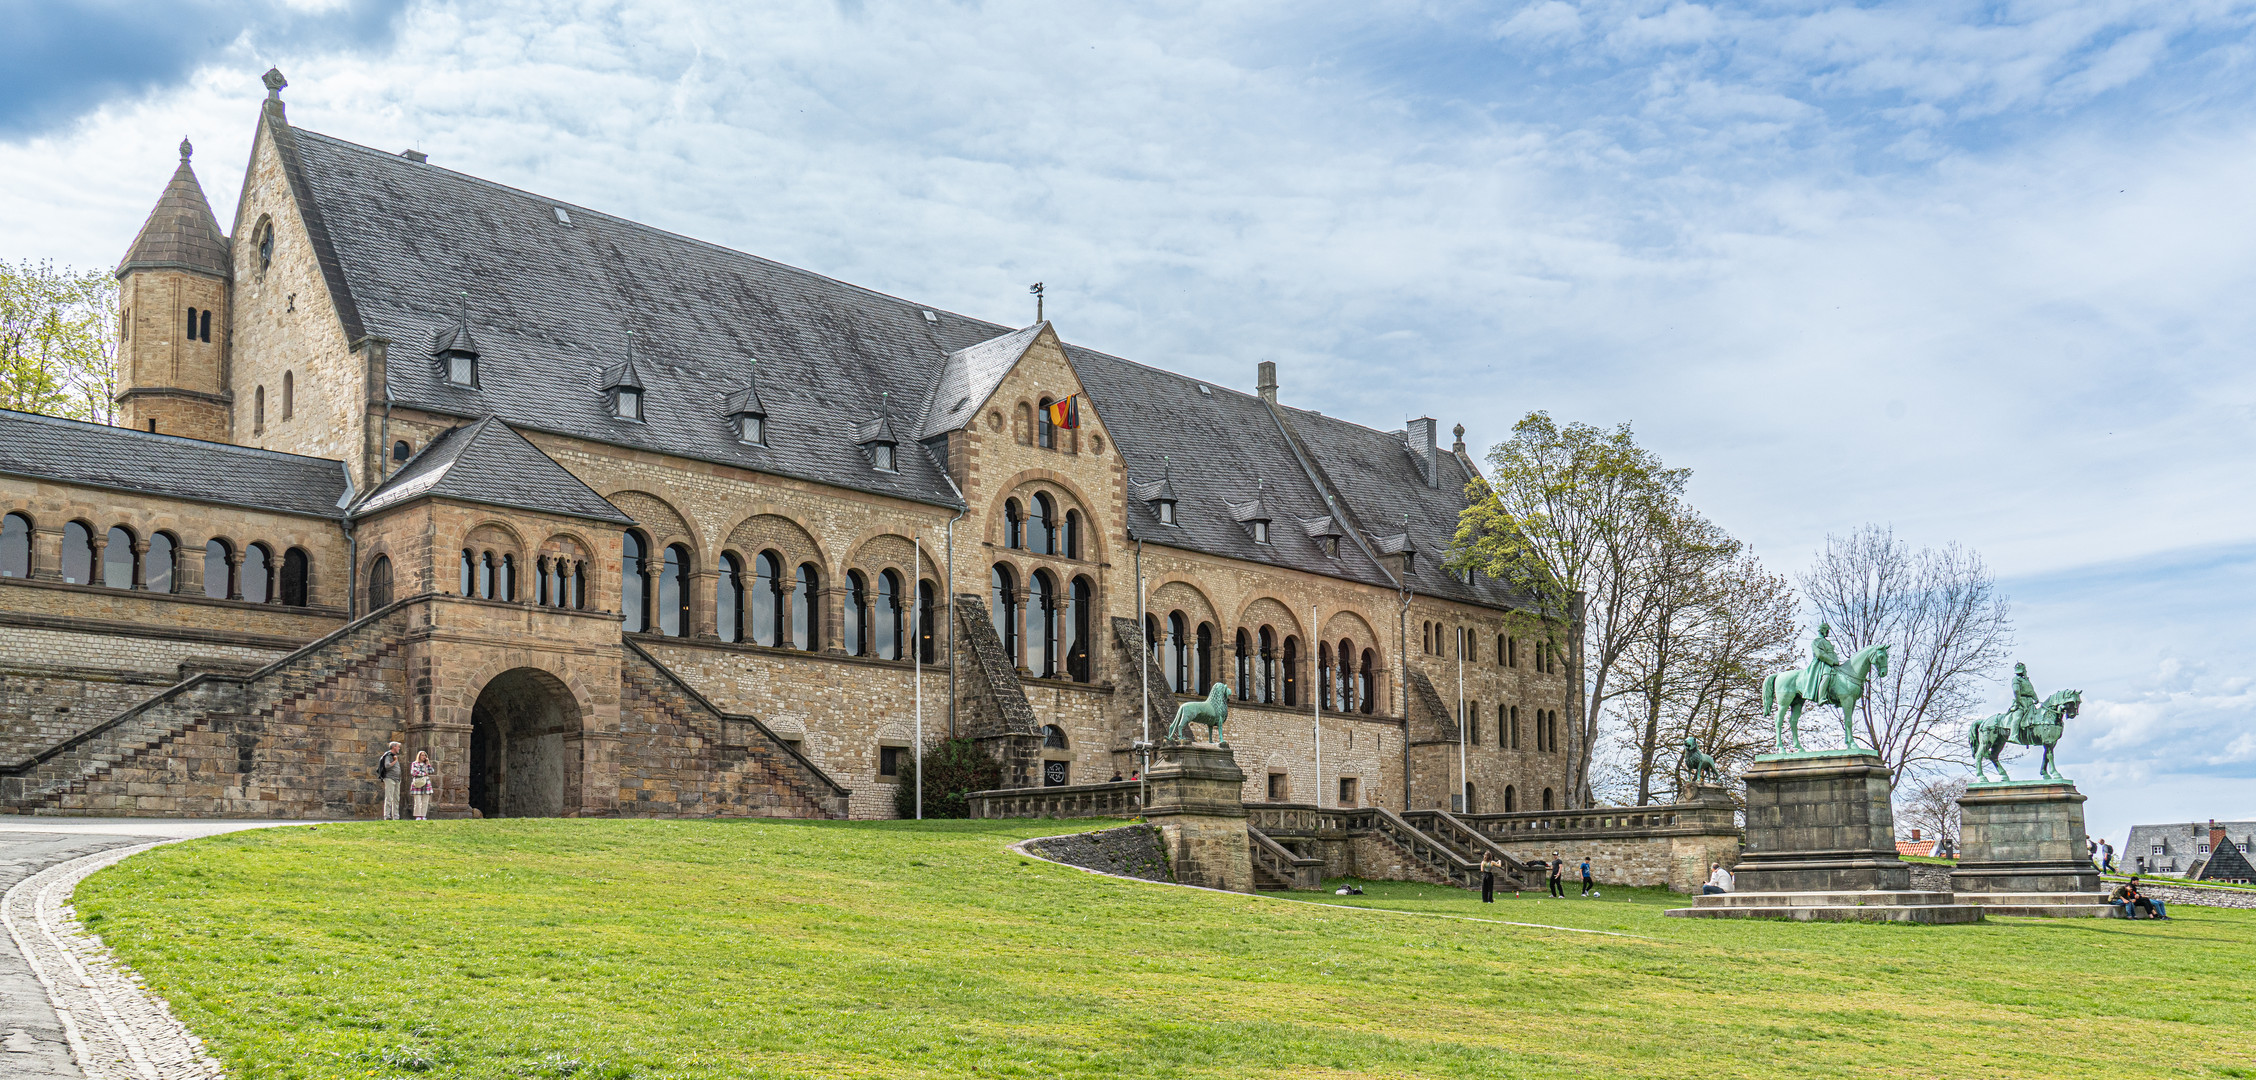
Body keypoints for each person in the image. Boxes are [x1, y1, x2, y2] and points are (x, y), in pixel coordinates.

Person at [375, 741, 402, 821]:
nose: (399, 748)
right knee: (389, 797)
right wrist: (395, 761)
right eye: (398, 747)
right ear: (394, 747)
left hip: (397, 779)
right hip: (390, 778)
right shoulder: (388, 755)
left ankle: (396, 817)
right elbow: (387, 766)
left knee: (396, 798)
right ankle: (387, 816)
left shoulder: (394, 756)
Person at [408, 749, 436, 821]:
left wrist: (428, 764)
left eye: (425, 755)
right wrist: (424, 774)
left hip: (426, 783)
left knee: (425, 801)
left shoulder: (426, 764)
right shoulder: (415, 763)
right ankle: (418, 815)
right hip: (418, 783)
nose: (423, 756)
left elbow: (431, 771)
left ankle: (423, 815)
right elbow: (414, 772)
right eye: (422, 755)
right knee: (417, 801)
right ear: (419, 756)